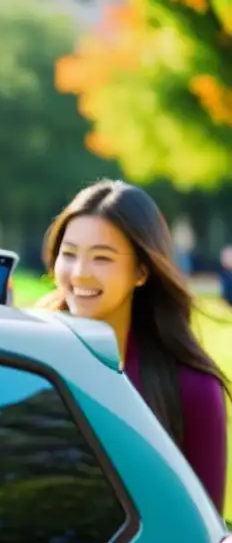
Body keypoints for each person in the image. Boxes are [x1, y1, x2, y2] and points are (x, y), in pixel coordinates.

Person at [38, 180, 229, 510]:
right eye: (68, 255)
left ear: (141, 271)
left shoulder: (192, 389)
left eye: (102, 258)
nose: (80, 274)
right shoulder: (27, 360)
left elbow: (203, 540)